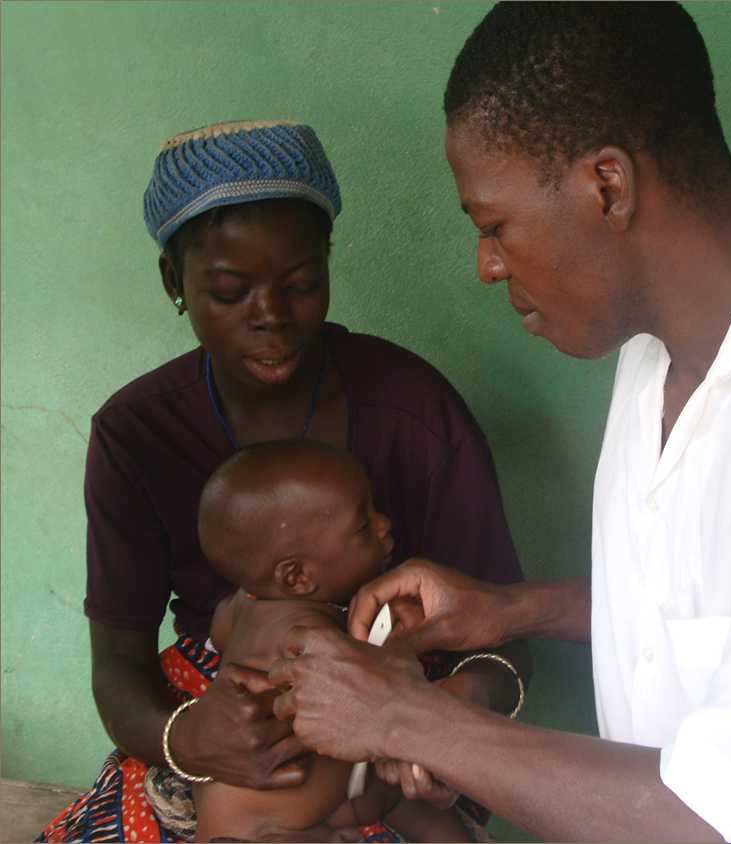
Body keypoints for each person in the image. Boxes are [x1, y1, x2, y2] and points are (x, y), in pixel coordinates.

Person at [259, 5, 731, 843]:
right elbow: (718, 615)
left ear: (608, 188)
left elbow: (716, 822)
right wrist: (512, 610)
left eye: (494, 225)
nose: (487, 265)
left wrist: (402, 718)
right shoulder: (651, 352)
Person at [39, 119, 529, 843]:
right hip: (209, 731)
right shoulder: (137, 433)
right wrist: (191, 737)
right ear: (175, 282)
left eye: (300, 284)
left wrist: (448, 710)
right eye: (229, 291)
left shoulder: (415, 414)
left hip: (394, 749)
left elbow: (504, 637)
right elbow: (118, 665)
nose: (271, 317)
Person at [192, 439, 473, 843]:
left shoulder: (242, 605)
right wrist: (403, 637)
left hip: (300, 806)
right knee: (427, 810)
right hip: (269, 831)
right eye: (363, 526)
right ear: (297, 577)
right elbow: (379, 681)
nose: (384, 524)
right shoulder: (307, 635)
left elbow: (221, 634)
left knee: (416, 805)